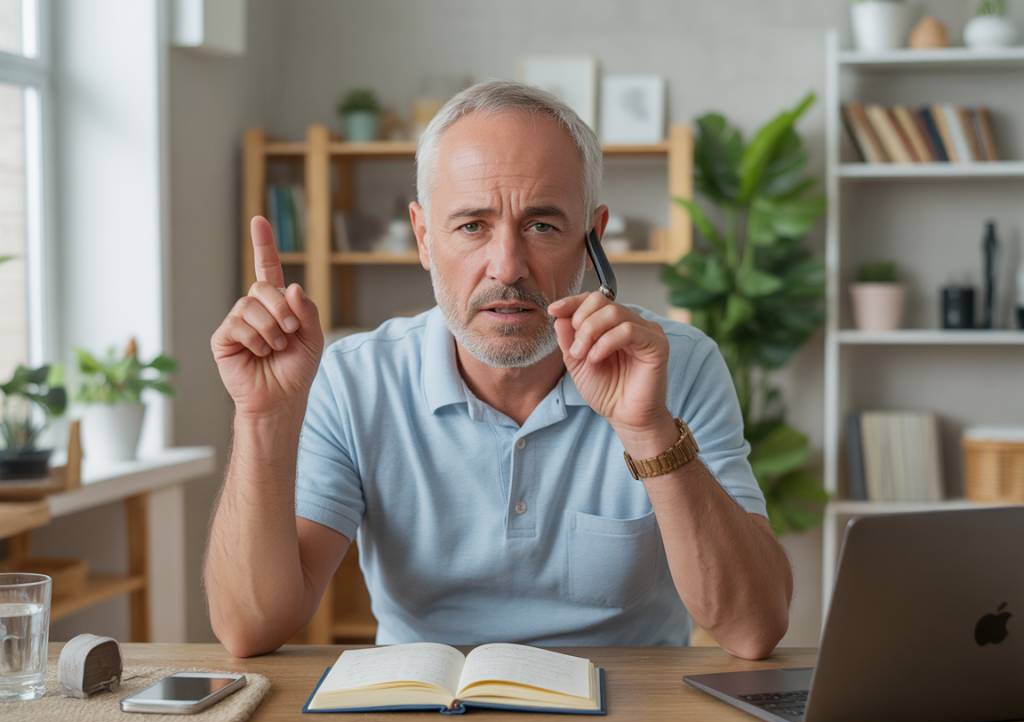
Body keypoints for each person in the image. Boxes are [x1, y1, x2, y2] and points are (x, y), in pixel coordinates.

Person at [205, 81, 792, 659]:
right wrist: (262, 418)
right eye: (471, 226)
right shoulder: (356, 379)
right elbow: (251, 628)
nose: (507, 266)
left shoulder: (678, 365)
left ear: (593, 239)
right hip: (424, 720)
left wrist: (648, 430)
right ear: (424, 238)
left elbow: (753, 628)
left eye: (542, 225)